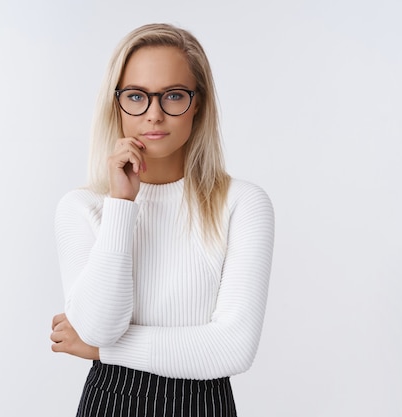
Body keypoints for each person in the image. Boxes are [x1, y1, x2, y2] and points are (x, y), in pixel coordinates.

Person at [50, 23, 275, 417]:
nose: (154, 115)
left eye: (173, 96)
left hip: (204, 407)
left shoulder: (241, 204)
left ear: (198, 103)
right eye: (136, 96)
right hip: (110, 405)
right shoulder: (82, 208)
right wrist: (122, 203)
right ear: (115, 103)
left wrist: (101, 350)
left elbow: (233, 348)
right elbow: (100, 326)